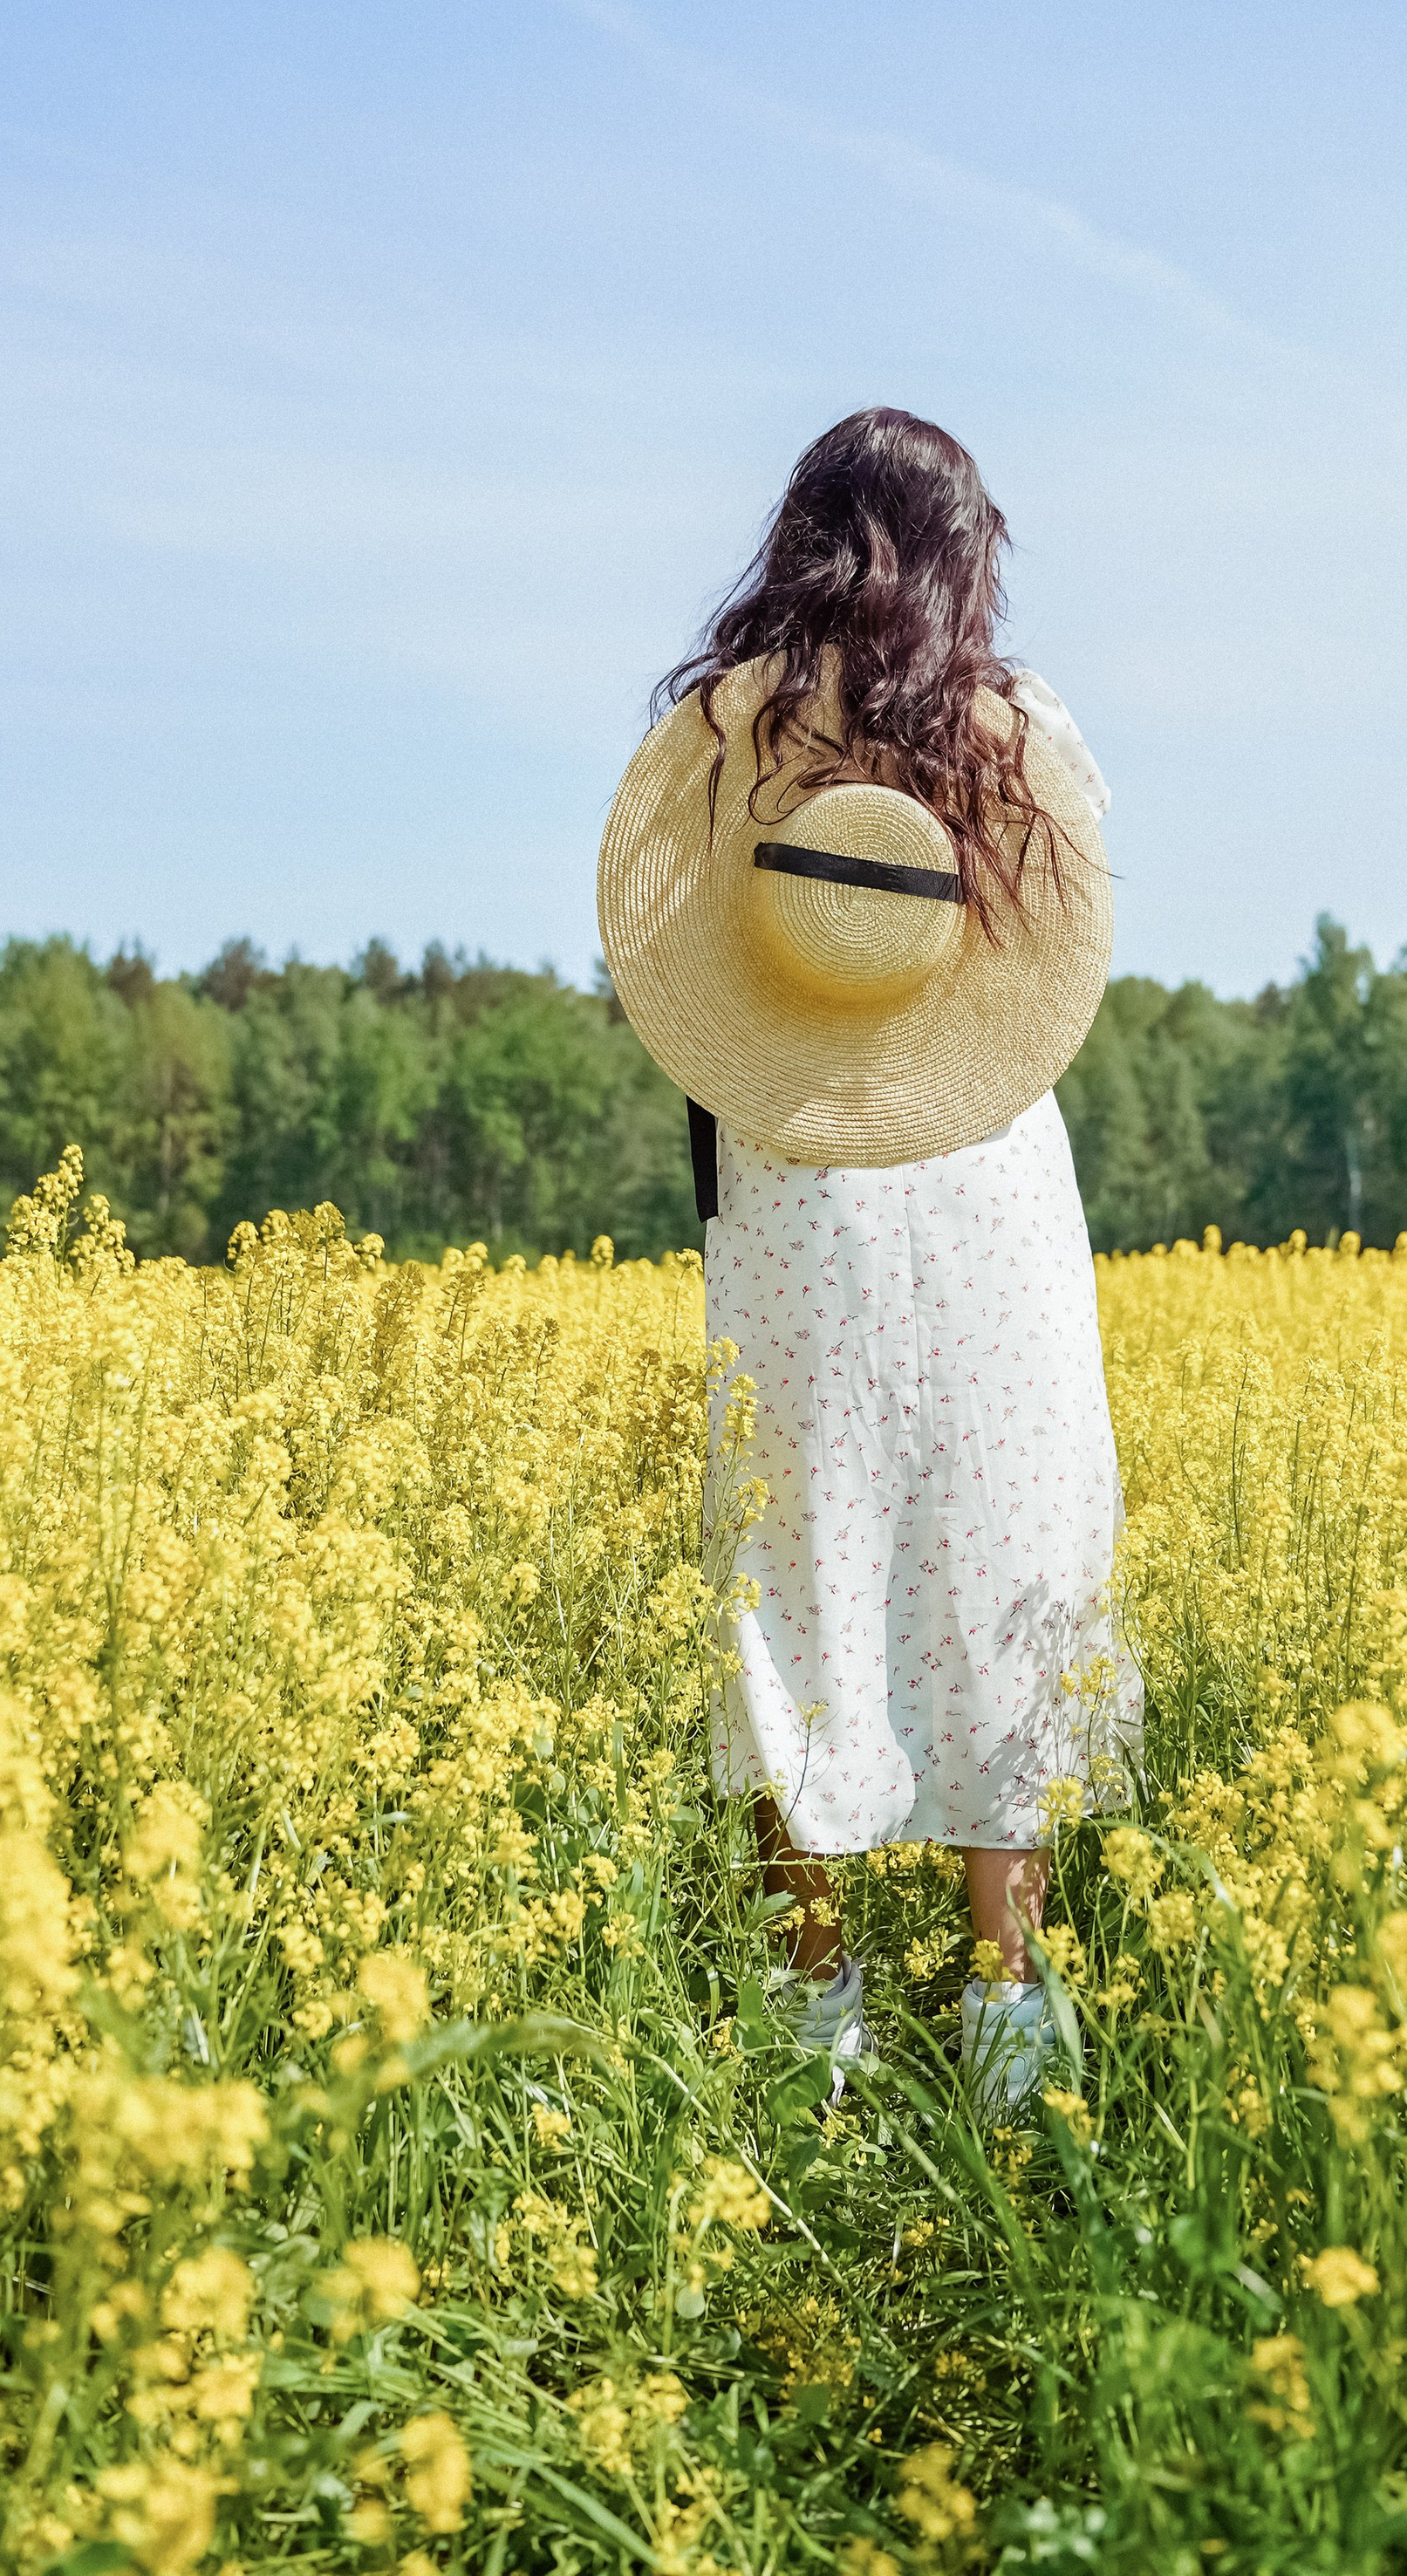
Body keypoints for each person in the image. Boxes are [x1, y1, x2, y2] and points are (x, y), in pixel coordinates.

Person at [598, 407, 1137, 2108]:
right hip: (980, 1160)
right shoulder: (1014, 728)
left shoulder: (722, 733)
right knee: (1006, 1559)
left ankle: (807, 2013)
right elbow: (1063, 943)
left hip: (795, 1165)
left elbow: (662, 950)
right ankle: (1004, 2012)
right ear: (963, 559)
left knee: (793, 1571)